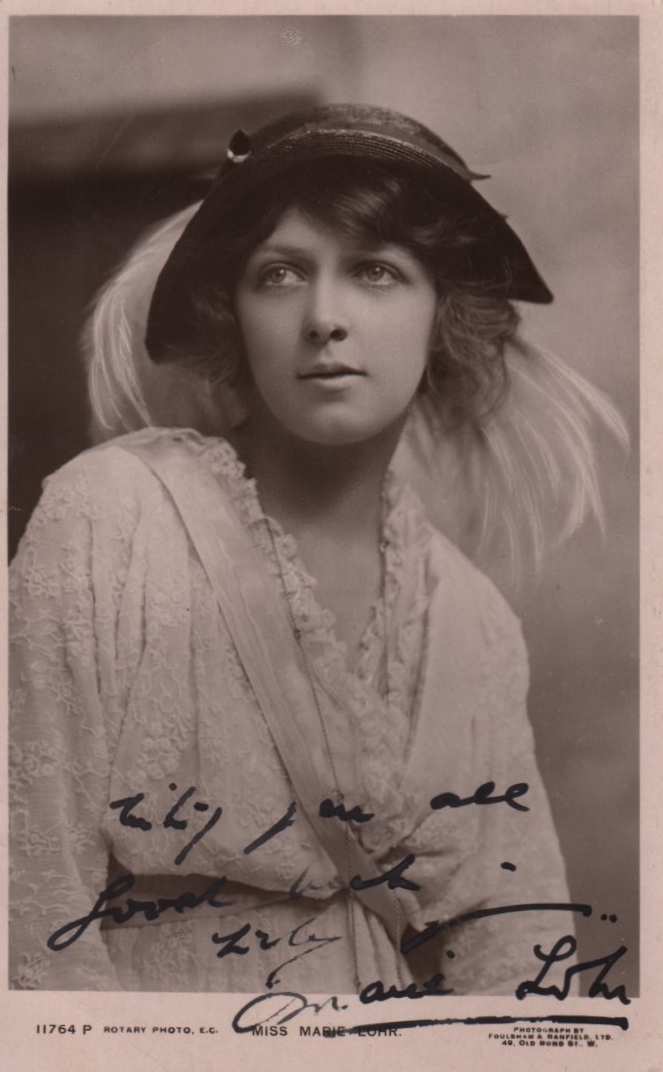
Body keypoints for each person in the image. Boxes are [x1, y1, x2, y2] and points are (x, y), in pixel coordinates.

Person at [9, 104, 626, 994]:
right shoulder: (112, 516)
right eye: (282, 275)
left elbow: (516, 954)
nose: (324, 317)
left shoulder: (471, 622)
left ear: (441, 315)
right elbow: (28, 916)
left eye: (375, 271)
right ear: (233, 315)